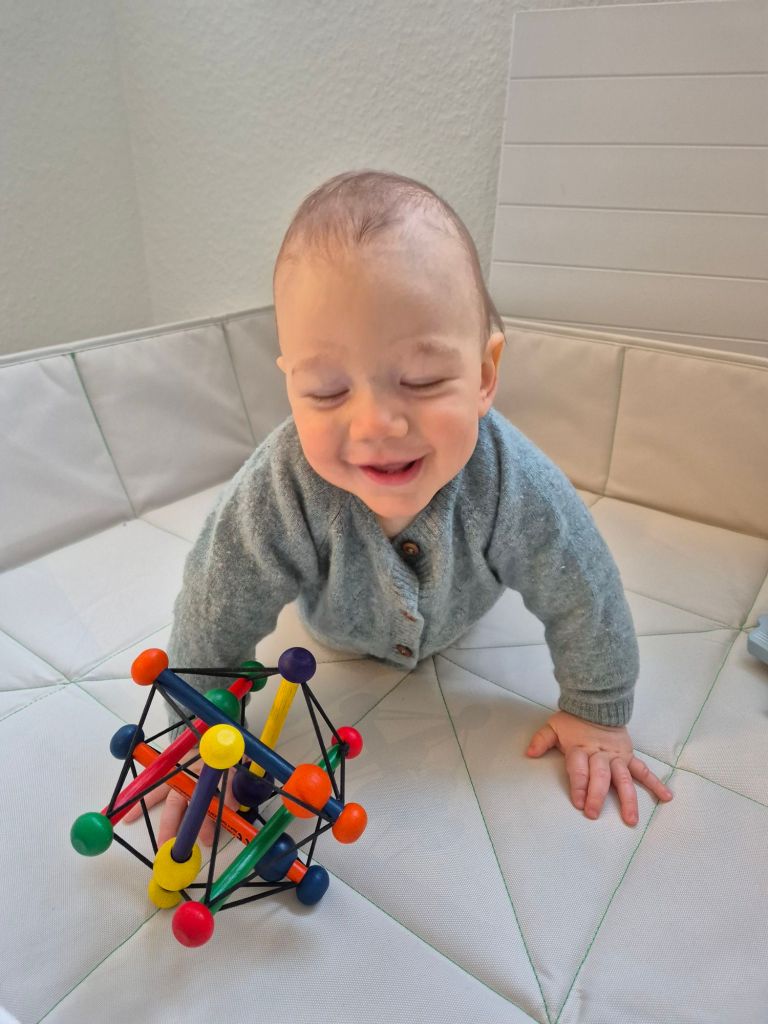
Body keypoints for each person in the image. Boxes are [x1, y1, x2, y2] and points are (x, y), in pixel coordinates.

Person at [125, 169, 673, 845]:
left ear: (484, 375)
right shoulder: (281, 486)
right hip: (329, 632)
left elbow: (583, 586)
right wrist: (198, 739)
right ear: (290, 387)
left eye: (422, 379)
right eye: (327, 391)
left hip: (461, 619)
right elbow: (217, 600)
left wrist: (595, 710)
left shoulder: (511, 481)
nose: (377, 423)